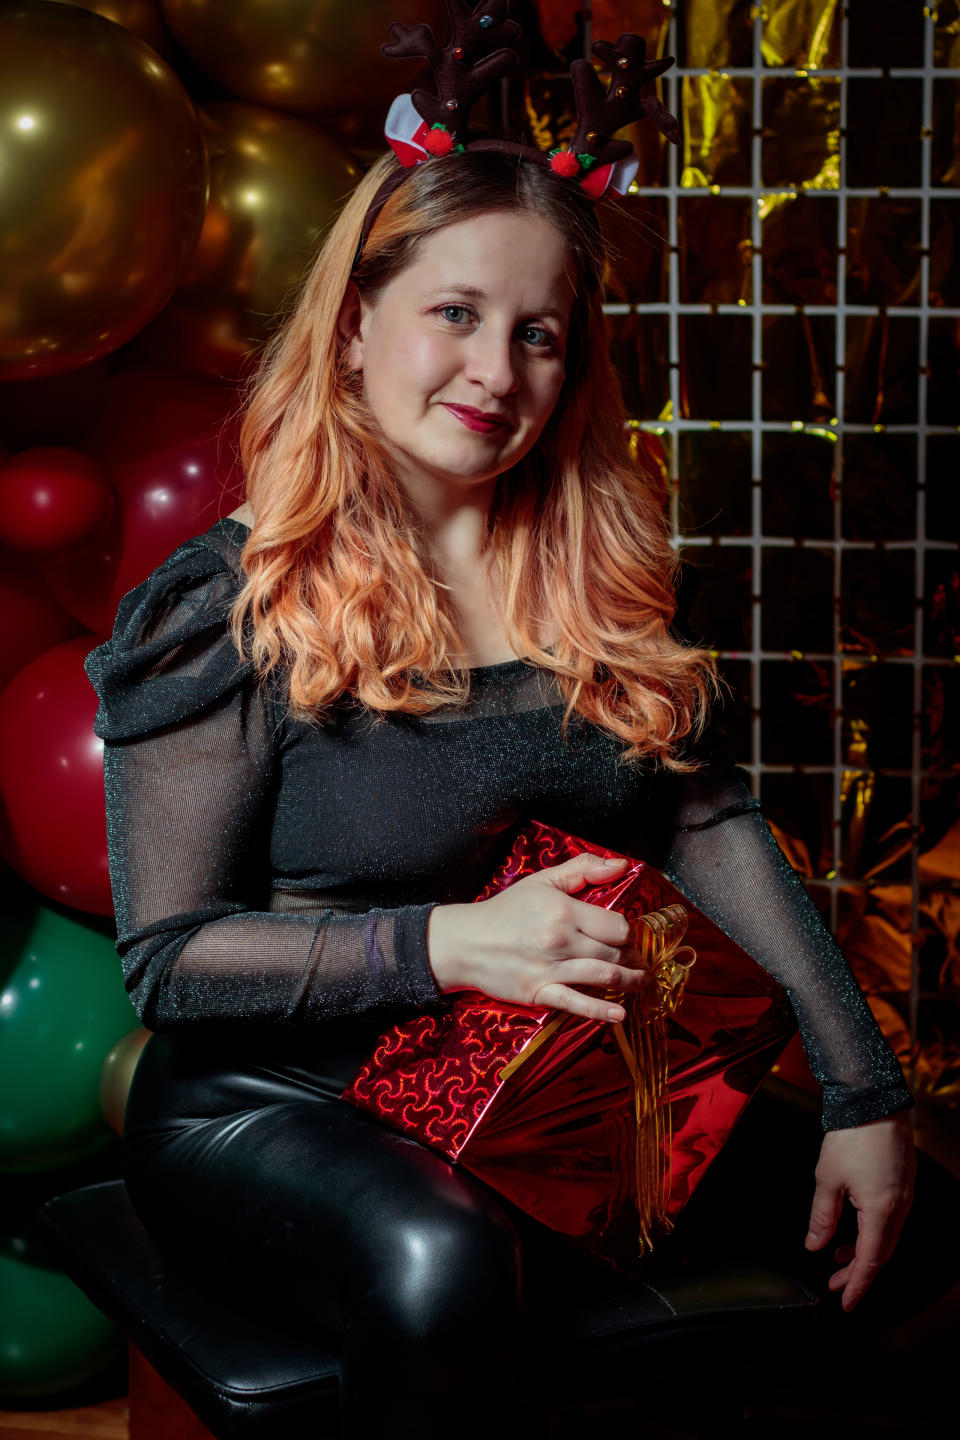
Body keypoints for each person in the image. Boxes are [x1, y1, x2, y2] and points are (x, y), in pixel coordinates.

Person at [85, 25, 918, 1440]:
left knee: (906, 1210)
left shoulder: (598, 586)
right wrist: (448, 946)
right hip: (272, 1100)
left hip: (530, 1085)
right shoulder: (228, 602)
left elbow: (706, 819)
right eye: (456, 313)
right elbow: (170, 962)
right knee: (447, 1267)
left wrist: (862, 1091)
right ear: (356, 324)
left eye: (537, 333)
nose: (496, 368)